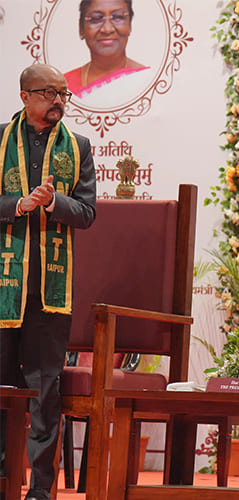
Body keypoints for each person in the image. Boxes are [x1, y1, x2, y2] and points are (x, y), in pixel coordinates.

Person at [0, 63, 97, 500]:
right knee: (1, 393)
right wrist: (18, 204)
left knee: (45, 395)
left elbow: (88, 213)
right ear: (24, 96)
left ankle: (40, 492)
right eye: (49, 93)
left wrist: (55, 201)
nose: (59, 100)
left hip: (48, 296)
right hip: (3, 290)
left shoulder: (78, 146)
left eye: (63, 93)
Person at [64, 0, 150, 103]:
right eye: (96, 19)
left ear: (130, 25)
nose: (107, 29)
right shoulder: (64, 86)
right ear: (81, 28)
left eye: (118, 17)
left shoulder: (147, 81)